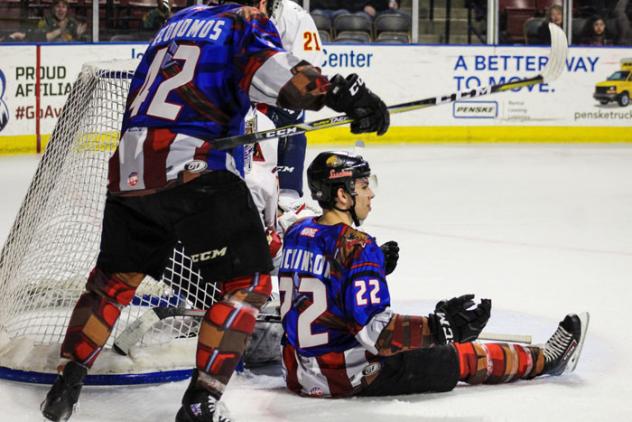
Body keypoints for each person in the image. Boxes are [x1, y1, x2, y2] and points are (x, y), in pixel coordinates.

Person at [39, 1, 389, 421]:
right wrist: (339, 94)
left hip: (129, 170)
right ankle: (202, 401)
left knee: (112, 282)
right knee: (249, 282)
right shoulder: (242, 19)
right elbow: (281, 77)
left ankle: (65, 387)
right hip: (193, 168)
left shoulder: (175, 23)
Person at [277, 150, 589, 398]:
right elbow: (377, 336)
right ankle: (545, 360)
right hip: (345, 377)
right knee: (458, 355)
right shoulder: (359, 248)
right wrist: (438, 328)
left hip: (298, 374)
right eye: (362, 186)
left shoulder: (297, 230)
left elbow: (314, 285)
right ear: (343, 196)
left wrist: (365, 271)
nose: (370, 193)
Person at [11, 0, 88, 42]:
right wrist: (60, 30)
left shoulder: (72, 22)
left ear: (67, 9)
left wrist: (78, 35)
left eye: (64, 7)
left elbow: (77, 43)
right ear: (53, 8)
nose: (61, 10)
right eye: (58, 6)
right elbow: (41, 38)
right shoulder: (45, 21)